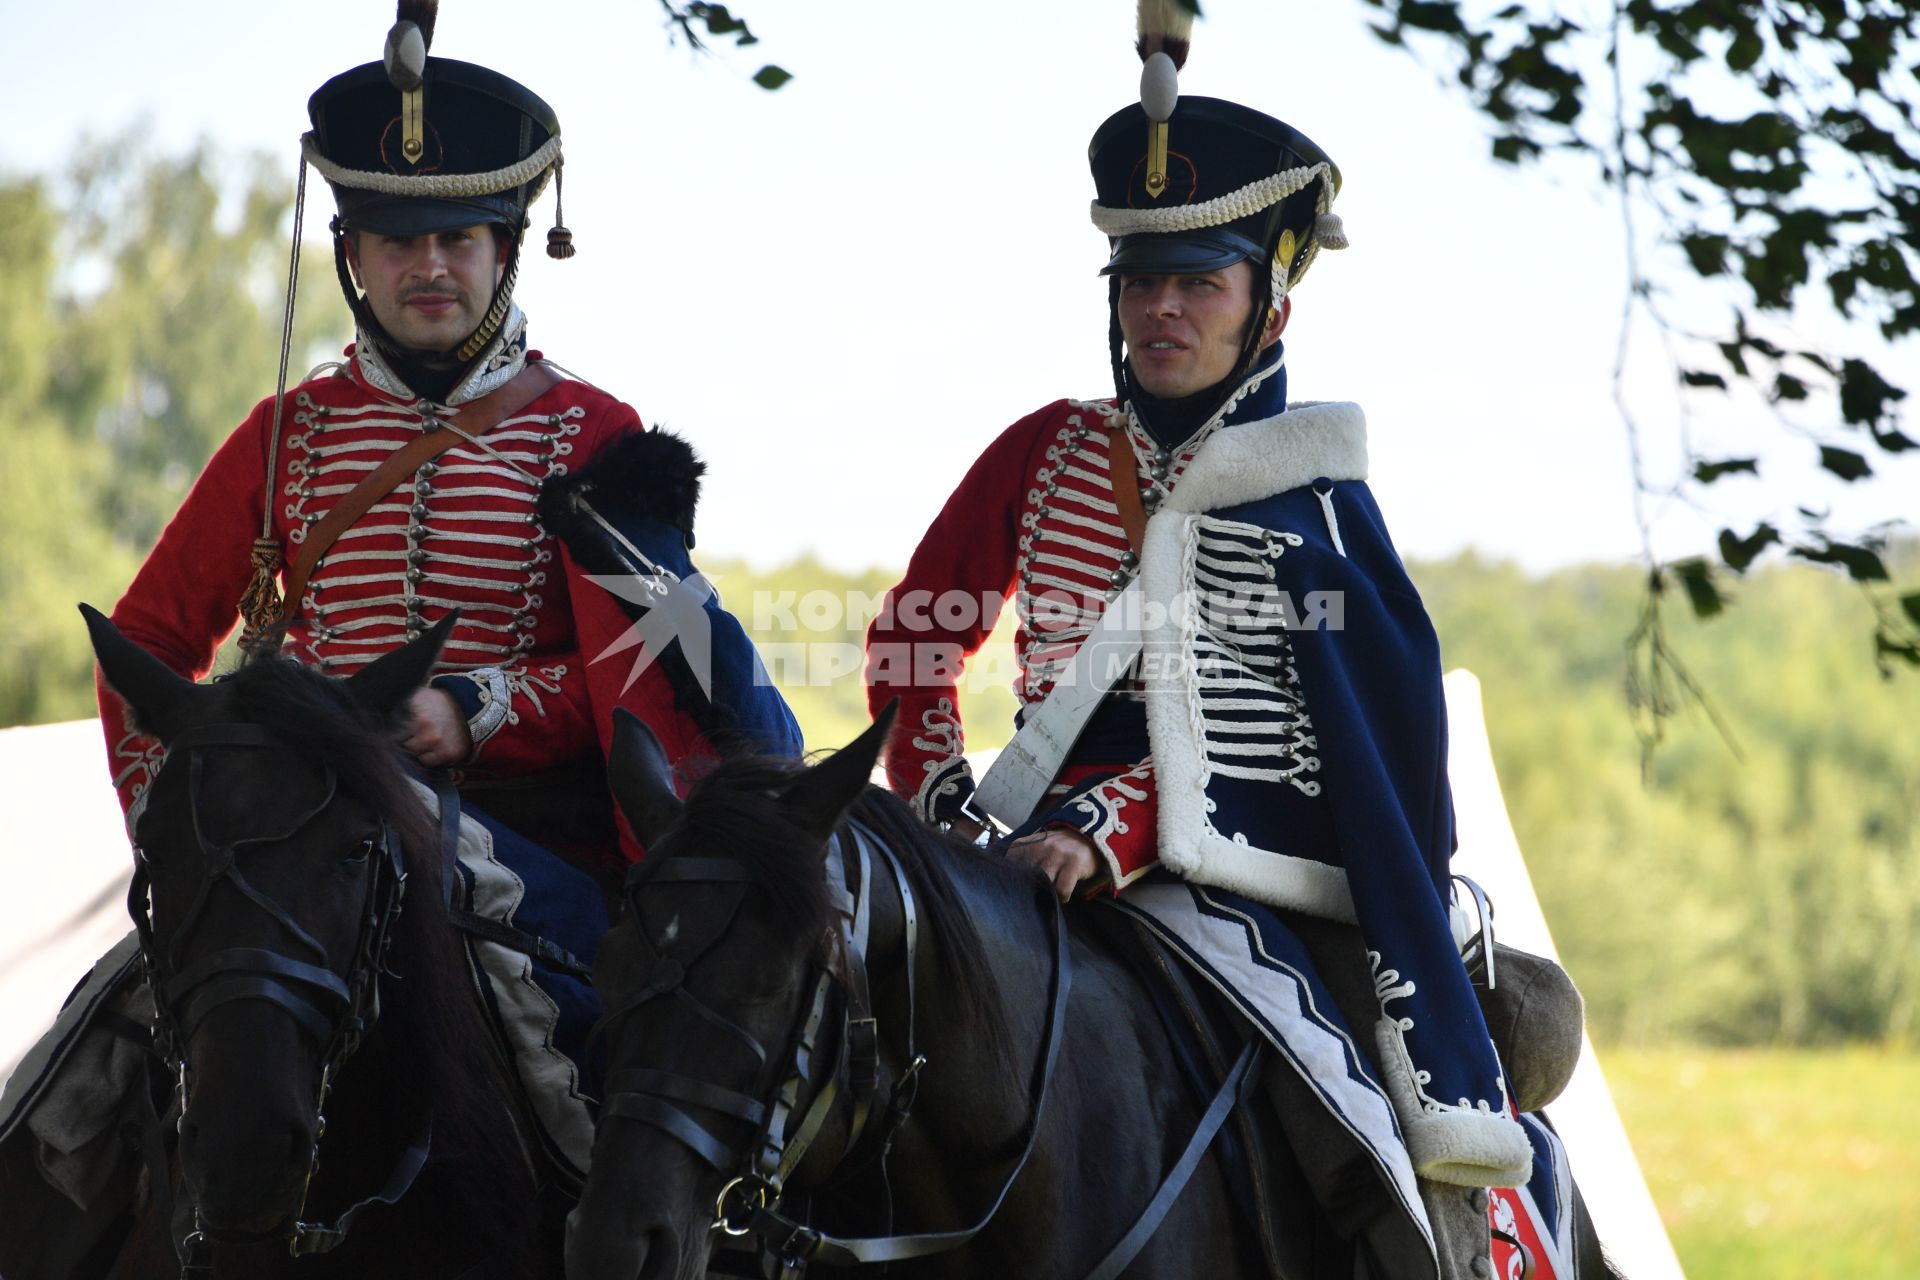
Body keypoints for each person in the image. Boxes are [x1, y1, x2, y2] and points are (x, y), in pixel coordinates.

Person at [0, 3, 797, 1265]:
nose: (431, 267)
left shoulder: (586, 431)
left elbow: (624, 685)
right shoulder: (283, 436)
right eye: (396, 240)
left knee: (619, 1080)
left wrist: (474, 706)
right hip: (291, 841)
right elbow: (151, 638)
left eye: (460, 239)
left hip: (522, 843)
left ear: (508, 249)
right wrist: (198, 817)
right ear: (352, 256)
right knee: (87, 1072)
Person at [866, 10, 1587, 1279]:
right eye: (1141, 280)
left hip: (1253, 879)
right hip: (1016, 852)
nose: (1161, 309)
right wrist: (939, 810)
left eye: (1199, 279)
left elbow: (1313, 742)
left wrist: (1111, 832)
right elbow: (920, 631)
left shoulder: (1310, 498)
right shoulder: (1047, 449)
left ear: (1272, 301)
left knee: (1367, 1128)